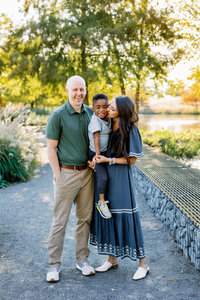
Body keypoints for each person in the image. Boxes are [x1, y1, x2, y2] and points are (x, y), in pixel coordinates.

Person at [90, 95, 149, 280]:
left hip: (122, 180)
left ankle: (143, 263)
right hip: (108, 178)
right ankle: (112, 259)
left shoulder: (130, 128)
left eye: (113, 107)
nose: (108, 109)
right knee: (109, 216)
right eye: (109, 106)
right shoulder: (108, 124)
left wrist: (109, 159)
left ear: (122, 109)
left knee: (128, 217)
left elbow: (132, 160)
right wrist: (96, 160)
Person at [46, 75, 95, 282]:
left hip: (87, 174)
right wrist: (58, 176)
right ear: (67, 91)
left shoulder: (91, 113)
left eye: (82, 89)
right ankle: (53, 266)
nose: (78, 93)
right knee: (60, 221)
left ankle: (82, 260)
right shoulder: (57, 115)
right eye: (74, 90)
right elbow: (50, 147)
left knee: (84, 219)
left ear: (85, 90)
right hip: (66, 173)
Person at [88, 93, 112, 219]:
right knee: (103, 177)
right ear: (93, 108)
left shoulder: (108, 119)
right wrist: (97, 156)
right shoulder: (95, 119)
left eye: (105, 107)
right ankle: (101, 202)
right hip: (95, 152)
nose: (101, 110)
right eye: (98, 107)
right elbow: (96, 138)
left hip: (105, 152)